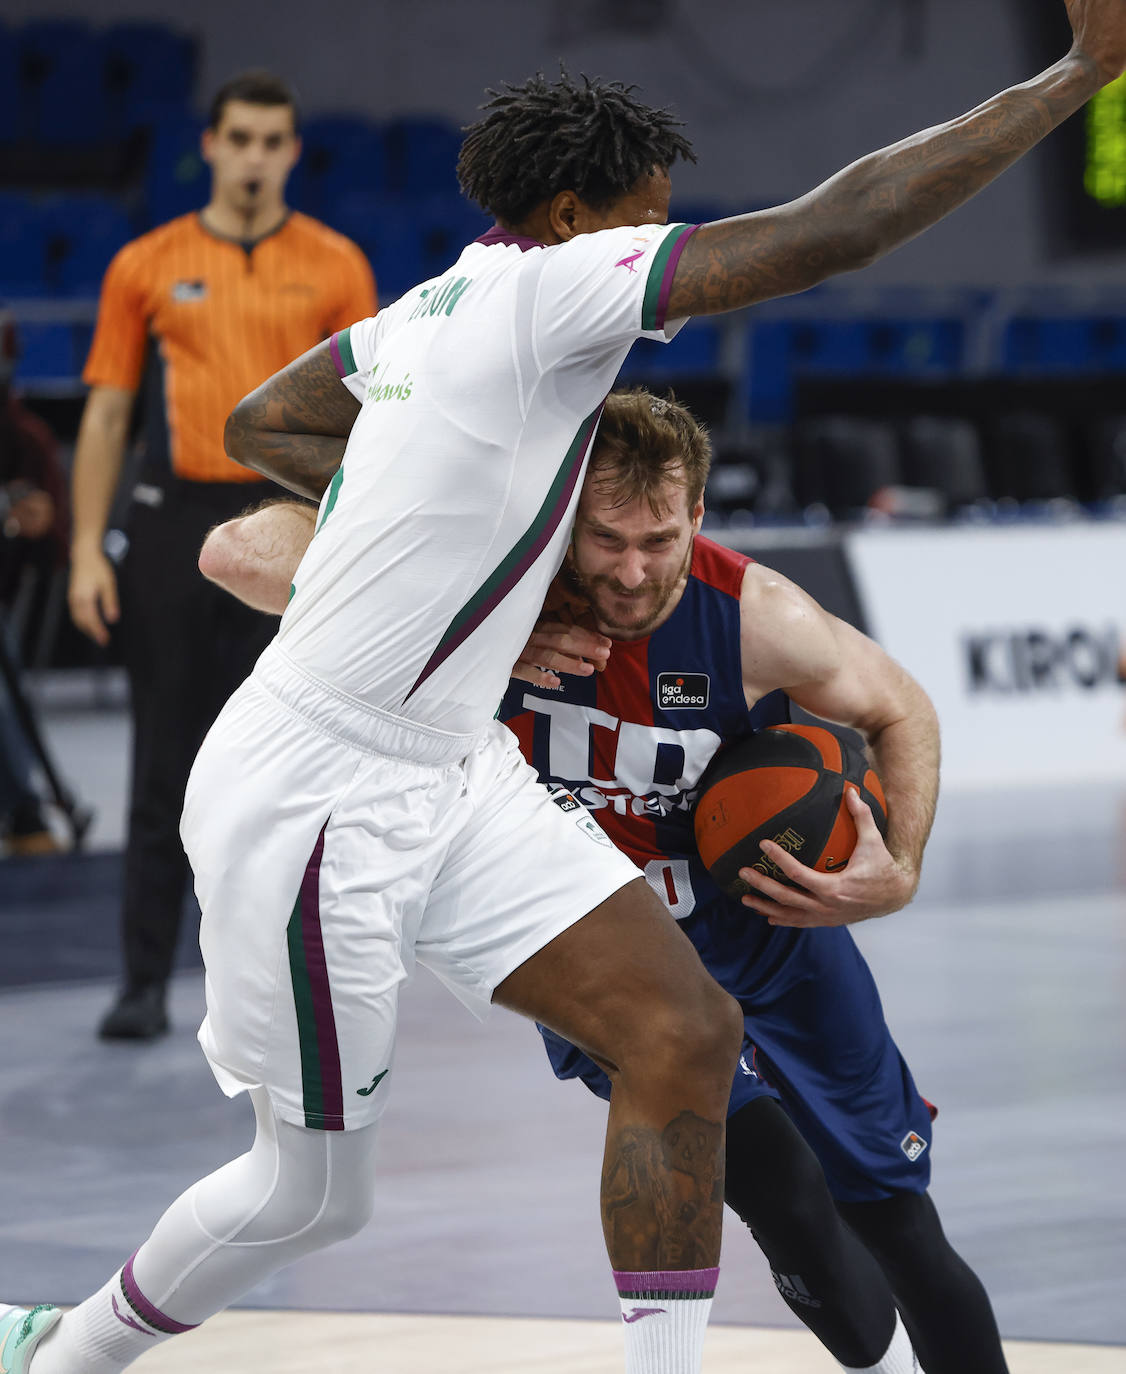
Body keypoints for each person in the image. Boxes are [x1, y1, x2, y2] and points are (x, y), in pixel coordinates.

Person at [4, 14, 1124, 1372]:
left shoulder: (433, 306)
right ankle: (61, 1351)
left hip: (452, 770)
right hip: (319, 791)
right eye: (646, 218)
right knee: (311, 1195)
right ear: (572, 216)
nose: (660, 248)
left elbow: (269, 423)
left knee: (683, 1029)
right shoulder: (554, 290)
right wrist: (1074, 76)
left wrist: (475, 561)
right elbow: (844, 227)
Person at [197, 388, 1006, 1374]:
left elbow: (902, 707)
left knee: (898, 1225)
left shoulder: (756, 617)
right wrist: (465, 616)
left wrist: (900, 868)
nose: (631, 572)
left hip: (769, 933)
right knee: (786, 1195)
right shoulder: (486, 583)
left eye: (659, 542)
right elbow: (235, 554)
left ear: (697, 515)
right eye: (607, 540)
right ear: (561, 518)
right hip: (607, 955)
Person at [66, 70, 377, 1040]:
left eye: (271, 141)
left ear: (292, 151)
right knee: (163, 757)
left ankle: (269, 984)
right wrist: (85, 549)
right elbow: (108, 413)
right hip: (173, 524)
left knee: (287, 766)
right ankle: (142, 983)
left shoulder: (336, 265)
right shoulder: (145, 264)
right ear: (209, 145)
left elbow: (370, 417)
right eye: (238, 138)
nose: (253, 156)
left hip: (289, 521)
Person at [0, 312, 70, 857]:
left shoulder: (24, 436)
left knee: (6, 695)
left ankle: (24, 810)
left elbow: (55, 537)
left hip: (5, 590)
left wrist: (34, 521)